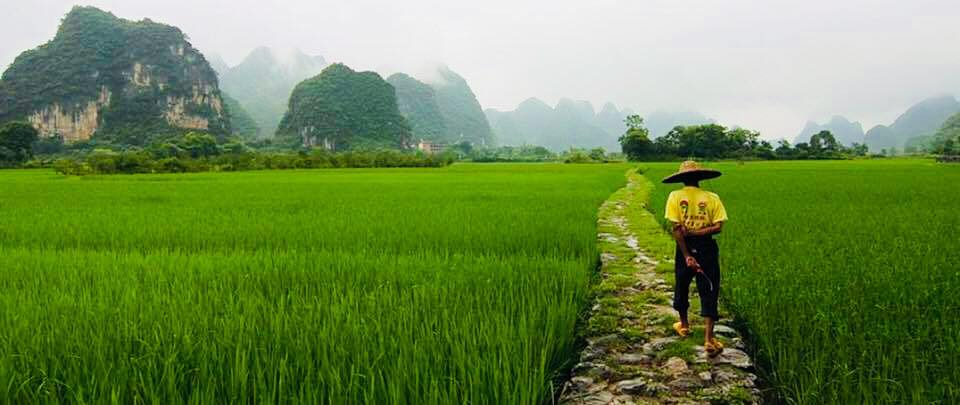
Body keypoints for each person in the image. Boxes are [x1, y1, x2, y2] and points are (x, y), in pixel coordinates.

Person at [662, 160, 728, 357]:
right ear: (699, 177)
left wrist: (687, 255)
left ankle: (684, 325)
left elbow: (676, 229)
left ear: (682, 179)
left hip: (684, 247)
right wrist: (698, 232)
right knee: (709, 288)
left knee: (682, 285)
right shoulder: (712, 197)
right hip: (707, 247)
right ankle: (708, 338)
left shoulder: (675, 196)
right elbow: (718, 227)